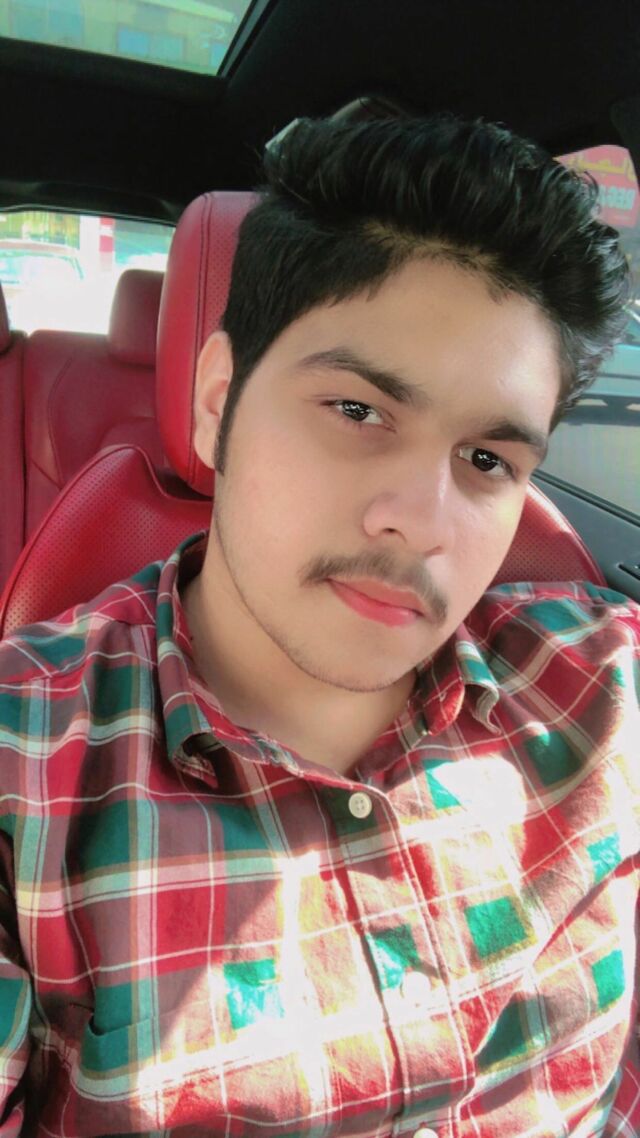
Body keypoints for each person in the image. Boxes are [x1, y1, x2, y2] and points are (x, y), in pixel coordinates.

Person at [0, 113, 638, 1138]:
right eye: (357, 411)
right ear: (218, 402)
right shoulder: (24, 771)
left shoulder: (602, 683)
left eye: (487, 460)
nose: (421, 523)